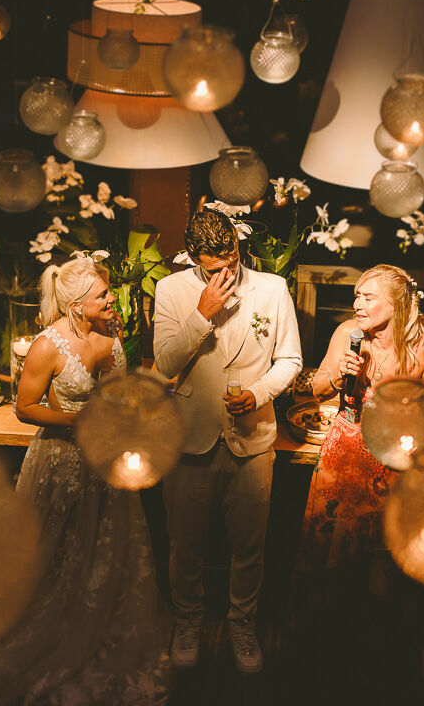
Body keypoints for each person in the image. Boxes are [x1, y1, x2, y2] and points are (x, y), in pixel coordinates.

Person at [0, 257, 170, 705]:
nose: (111, 300)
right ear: (75, 305)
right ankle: (46, 631)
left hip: (105, 465)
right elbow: (25, 407)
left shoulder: (111, 337)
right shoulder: (46, 347)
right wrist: (77, 420)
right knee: (53, 552)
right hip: (61, 463)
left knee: (103, 551)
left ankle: (98, 625)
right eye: (103, 296)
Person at [153, 208, 303, 674]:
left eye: (231, 260)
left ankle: (243, 623)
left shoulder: (272, 288)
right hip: (190, 437)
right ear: (196, 260)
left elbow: (291, 359)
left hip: (253, 436)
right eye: (213, 267)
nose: (225, 273)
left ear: (237, 246)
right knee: (186, 545)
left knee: (250, 544)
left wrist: (259, 394)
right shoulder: (171, 290)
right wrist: (201, 314)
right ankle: (188, 621)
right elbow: (163, 362)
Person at [300, 264, 424, 574]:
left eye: (367, 298)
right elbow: (317, 390)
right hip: (343, 457)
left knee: (381, 562)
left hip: (394, 462)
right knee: (332, 556)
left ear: (397, 304)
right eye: (356, 296)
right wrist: (340, 374)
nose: (357, 305)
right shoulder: (346, 333)